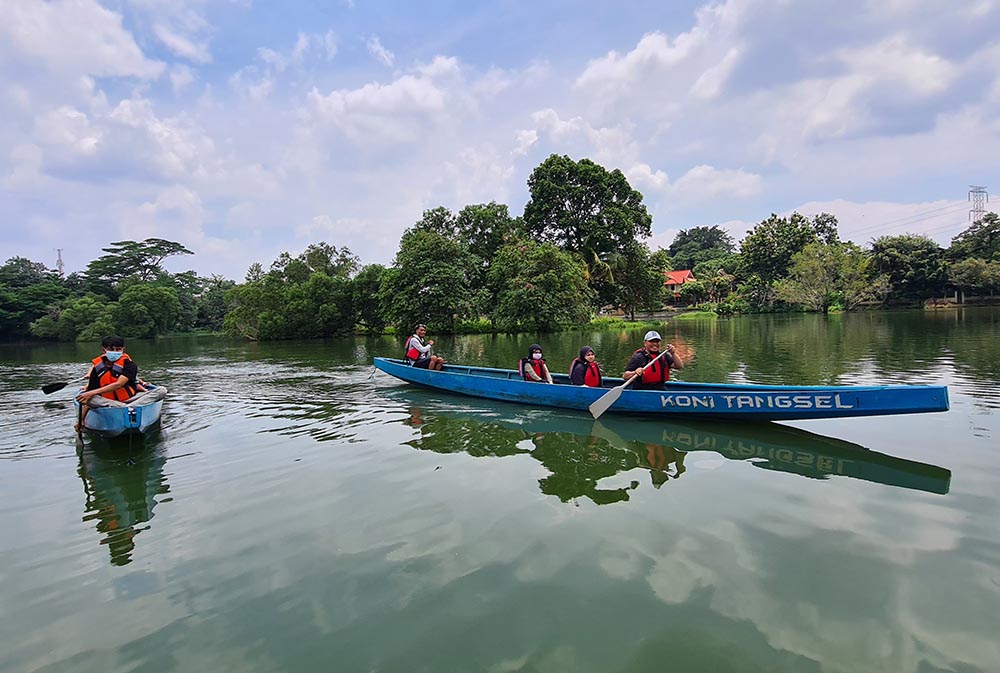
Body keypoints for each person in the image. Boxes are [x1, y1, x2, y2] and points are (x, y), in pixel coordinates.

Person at [75, 335, 143, 431]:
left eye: (118, 349)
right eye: (111, 349)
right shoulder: (97, 368)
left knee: (161, 390)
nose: (114, 352)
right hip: (109, 403)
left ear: (123, 349)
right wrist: (80, 420)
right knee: (87, 399)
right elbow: (90, 394)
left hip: (131, 400)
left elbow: (119, 384)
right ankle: (128, 409)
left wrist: (90, 393)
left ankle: (127, 408)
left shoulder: (130, 365)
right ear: (104, 350)